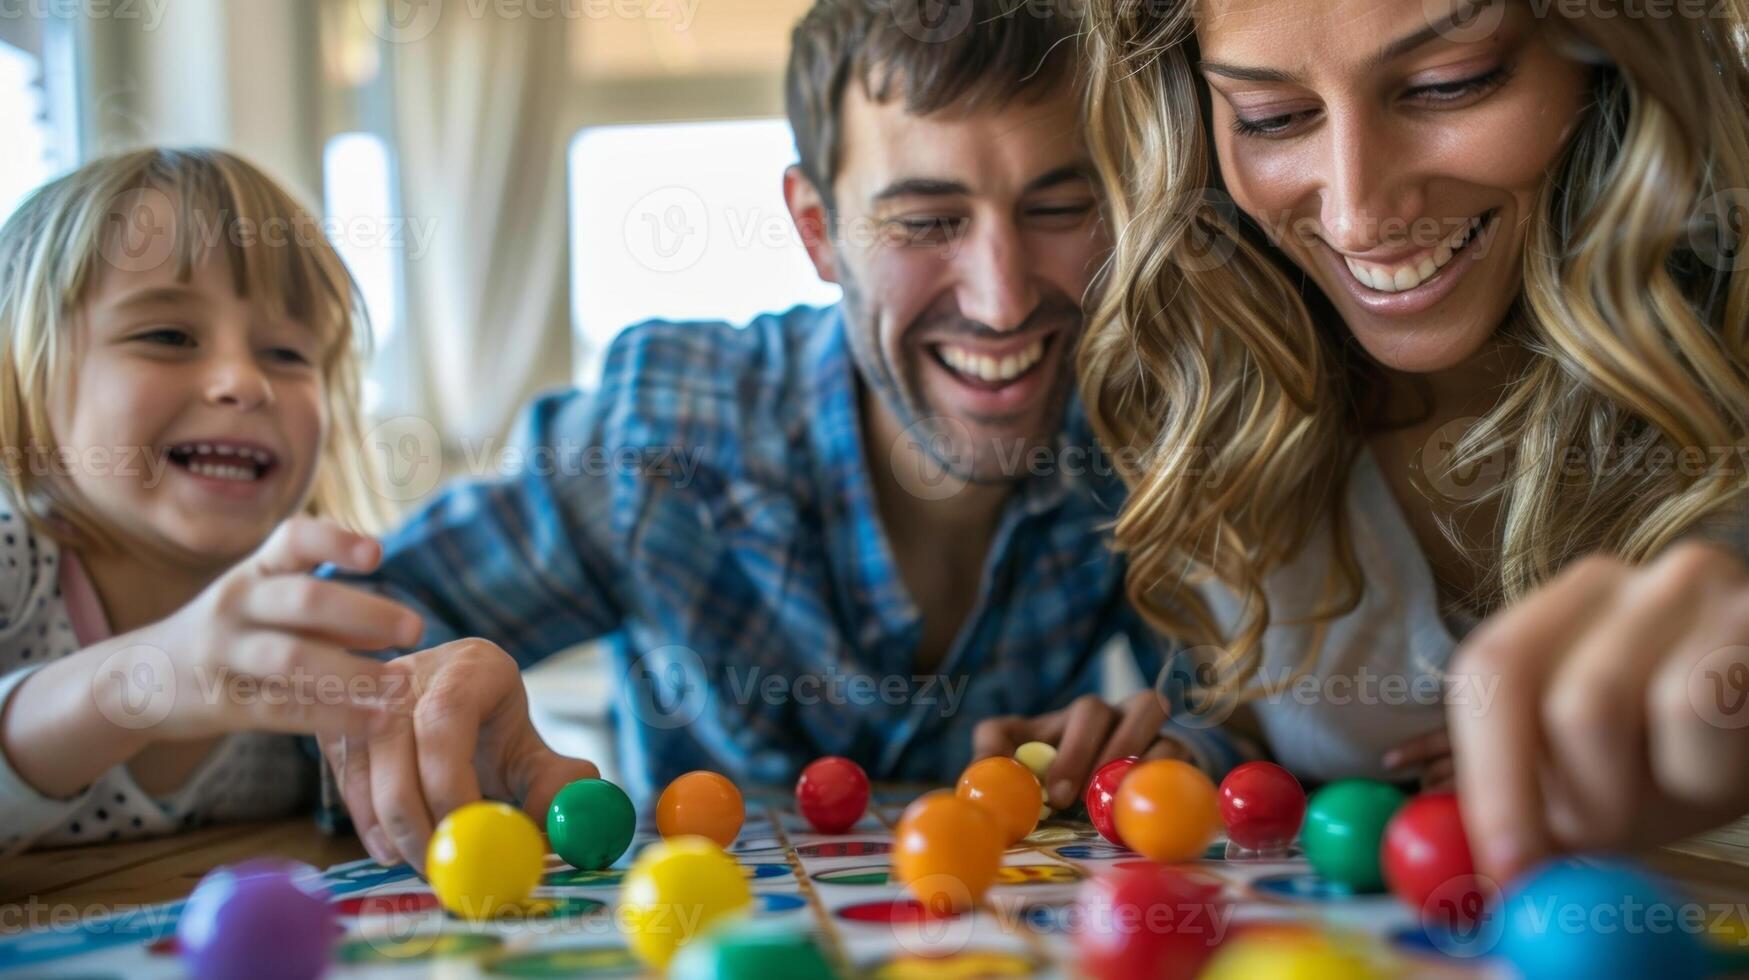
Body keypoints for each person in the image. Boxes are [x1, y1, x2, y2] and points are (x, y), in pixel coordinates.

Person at [317, 0, 1252, 872]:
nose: (1001, 299)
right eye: (924, 220)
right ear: (817, 230)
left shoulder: (1142, 428)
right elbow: (356, 625)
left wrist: (1174, 743)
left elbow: (1257, 700)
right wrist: (427, 697)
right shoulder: (667, 435)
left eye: (1059, 208)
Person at [1078, 0, 1749, 882]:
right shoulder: (1223, 397)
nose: (1357, 217)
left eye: (1448, 85)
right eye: (1271, 119)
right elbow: (1262, 727)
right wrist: (1186, 749)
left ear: (1611, 56)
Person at [0, 148, 429, 855]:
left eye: (288, 353)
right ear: (23, 378)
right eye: (167, 336)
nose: (244, 382)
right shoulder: (13, 565)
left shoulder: (327, 625)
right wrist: (144, 678)